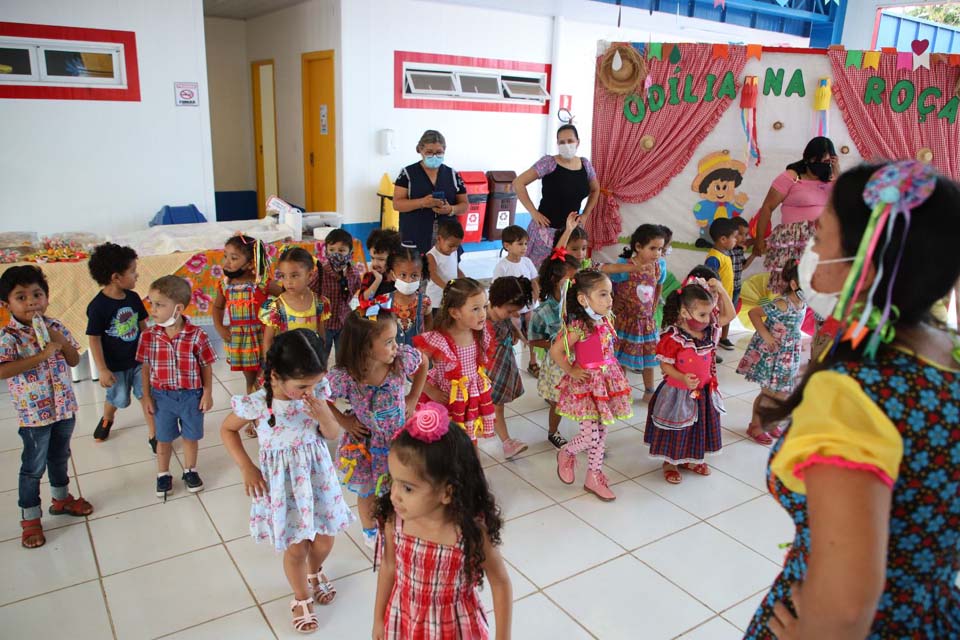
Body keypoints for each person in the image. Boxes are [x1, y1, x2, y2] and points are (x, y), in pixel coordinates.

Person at [744, 161, 960, 639]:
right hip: (932, 612)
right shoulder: (949, 351)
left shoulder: (852, 390)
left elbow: (845, 608)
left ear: (865, 261)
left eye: (820, 236)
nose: (809, 250)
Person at [220, 329, 354, 634]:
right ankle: (300, 597)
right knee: (296, 548)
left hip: (317, 479)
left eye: (316, 383)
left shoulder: (317, 395)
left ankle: (315, 571)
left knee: (325, 538)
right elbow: (227, 431)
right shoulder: (257, 404)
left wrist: (324, 415)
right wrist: (247, 467)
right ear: (277, 376)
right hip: (284, 487)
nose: (310, 391)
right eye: (302, 385)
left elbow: (333, 434)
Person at [372, 402, 512, 640]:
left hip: (454, 628)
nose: (394, 494)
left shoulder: (469, 533)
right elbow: (388, 567)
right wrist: (378, 619)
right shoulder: (394, 522)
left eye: (407, 488)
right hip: (404, 620)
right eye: (393, 480)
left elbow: (500, 583)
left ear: (447, 492)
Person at [0, 266, 92, 549]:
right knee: (33, 467)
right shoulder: (9, 337)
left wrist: (60, 342)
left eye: (37, 294)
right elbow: (3, 371)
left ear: (47, 297)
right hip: (34, 417)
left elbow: (75, 361)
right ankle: (30, 519)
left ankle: (61, 499)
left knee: (60, 456)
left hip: (64, 409)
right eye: (21, 297)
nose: (31, 302)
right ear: (6, 305)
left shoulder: (56, 327)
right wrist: (41, 356)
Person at [327, 309, 427, 550]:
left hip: (399, 440)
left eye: (395, 339)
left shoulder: (400, 360)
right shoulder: (346, 377)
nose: (396, 347)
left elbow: (423, 361)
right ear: (365, 347)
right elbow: (321, 397)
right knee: (368, 492)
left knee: (403, 483)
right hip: (367, 446)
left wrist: (413, 397)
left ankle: (403, 523)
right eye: (389, 342)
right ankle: (371, 531)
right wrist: (344, 420)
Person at [645, 276, 735, 485]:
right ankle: (670, 462)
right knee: (677, 428)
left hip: (702, 391)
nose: (706, 319)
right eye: (702, 314)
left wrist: (721, 290)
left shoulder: (709, 330)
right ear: (684, 312)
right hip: (678, 392)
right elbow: (665, 365)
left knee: (697, 428)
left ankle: (690, 459)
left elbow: (729, 315)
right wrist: (682, 377)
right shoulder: (674, 336)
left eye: (709, 313)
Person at [552, 270, 633, 501]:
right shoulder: (579, 327)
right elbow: (556, 351)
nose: (610, 300)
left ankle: (593, 476)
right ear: (583, 299)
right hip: (587, 385)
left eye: (610, 294)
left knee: (602, 432)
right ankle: (566, 452)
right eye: (603, 295)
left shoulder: (605, 320)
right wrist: (571, 370)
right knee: (590, 437)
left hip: (605, 383)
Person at [137, 276, 217, 499]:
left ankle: (190, 470)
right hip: (162, 397)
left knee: (191, 436)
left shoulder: (197, 335)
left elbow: (206, 365)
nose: (153, 309)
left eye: (159, 305)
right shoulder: (148, 337)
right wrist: (147, 397)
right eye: (151, 303)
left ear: (178, 308)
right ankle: (163, 474)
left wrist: (207, 393)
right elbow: (144, 367)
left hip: (192, 396)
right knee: (163, 438)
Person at [85, 243, 155, 451]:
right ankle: (107, 418)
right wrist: (103, 369)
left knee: (146, 395)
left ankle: (154, 434)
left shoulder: (133, 298)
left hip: (138, 361)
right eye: (133, 271)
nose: (137, 275)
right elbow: (94, 339)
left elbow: (143, 325)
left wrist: (152, 351)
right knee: (118, 398)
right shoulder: (98, 307)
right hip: (115, 366)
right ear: (116, 277)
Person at [753, 136, 838, 293]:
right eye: (820, 161)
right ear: (810, 159)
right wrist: (759, 240)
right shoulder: (791, 177)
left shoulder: (831, 180)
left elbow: (843, 204)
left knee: (818, 288)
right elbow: (767, 207)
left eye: (828, 162)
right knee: (787, 286)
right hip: (790, 241)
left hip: (820, 241)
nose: (824, 166)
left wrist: (836, 170)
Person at [415, 278, 496, 442]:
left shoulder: (479, 332)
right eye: (475, 309)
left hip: (471, 398)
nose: (482, 314)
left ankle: (471, 465)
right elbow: (411, 367)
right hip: (446, 399)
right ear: (454, 313)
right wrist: (429, 390)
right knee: (447, 441)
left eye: (484, 307)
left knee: (469, 438)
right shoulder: (438, 339)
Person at [736, 261, 805, 445]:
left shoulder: (803, 303)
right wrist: (766, 336)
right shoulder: (782, 304)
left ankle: (770, 422)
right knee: (768, 393)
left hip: (788, 355)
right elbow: (754, 314)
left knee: (782, 392)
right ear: (794, 285)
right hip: (772, 354)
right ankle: (756, 426)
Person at [514, 124, 600, 267]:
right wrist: (533, 212)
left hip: (570, 232)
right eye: (562, 142)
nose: (566, 145)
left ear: (578, 142)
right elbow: (518, 183)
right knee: (539, 275)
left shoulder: (585, 165)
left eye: (570, 141)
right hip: (545, 233)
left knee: (563, 275)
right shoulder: (549, 163)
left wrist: (585, 214)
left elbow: (595, 190)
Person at [528, 249, 580, 448]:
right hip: (558, 363)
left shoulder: (580, 306)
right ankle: (553, 431)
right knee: (558, 401)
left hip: (579, 360)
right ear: (555, 280)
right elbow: (534, 340)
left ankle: (589, 434)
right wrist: (556, 344)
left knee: (584, 396)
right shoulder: (543, 311)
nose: (574, 284)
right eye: (570, 280)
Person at [609, 224, 666, 401]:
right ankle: (621, 389)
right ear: (638, 247)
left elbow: (658, 286)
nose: (657, 253)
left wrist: (655, 305)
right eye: (653, 248)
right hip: (625, 320)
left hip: (646, 321)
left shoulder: (659, 266)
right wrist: (614, 306)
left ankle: (649, 390)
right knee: (620, 356)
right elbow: (612, 286)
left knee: (649, 357)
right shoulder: (624, 265)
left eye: (660, 249)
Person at [212, 235, 273, 395]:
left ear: (250, 263)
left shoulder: (261, 282)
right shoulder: (225, 284)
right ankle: (252, 412)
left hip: (263, 337)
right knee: (251, 379)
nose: (226, 262)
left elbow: (285, 296)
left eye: (234, 258)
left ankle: (269, 410)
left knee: (267, 375)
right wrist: (219, 327)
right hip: (240, 339)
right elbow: (218, 307)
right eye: (225, 256)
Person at [392, 130, 468, 255]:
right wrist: (422, 202)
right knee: (417, 269)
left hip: (447, 238)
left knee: (446, 272)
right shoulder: (407, 174)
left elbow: (464, 205)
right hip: (415, 234)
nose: (434, 156)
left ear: (444, 150)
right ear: (420, 151)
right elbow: (397, 204)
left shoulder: (452, 174)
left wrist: (451, 209)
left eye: (439, 152)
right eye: (429, 152)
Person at [486, 276, 533, 459]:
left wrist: (519, 335)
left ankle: (506, 442)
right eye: (511, 311)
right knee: (495, 406)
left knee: (498, 406)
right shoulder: (483, 318)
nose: (514, 315)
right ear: (497, 302)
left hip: (503, 364)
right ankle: (506, 443)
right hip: (490, 370)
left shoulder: (500, 314)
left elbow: (511, 326)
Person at [261, 247, 331, 357]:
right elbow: (267, 341)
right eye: (283, 276)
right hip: (286, 363)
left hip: (311, 361)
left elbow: (321, 335)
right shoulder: (276, 307)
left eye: (294, 275)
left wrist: (321, 360)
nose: (288, 282)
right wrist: (269, 367)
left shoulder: (320, 303)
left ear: (310, 276)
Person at [493, 225, 541, 377]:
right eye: (520, 244)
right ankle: (509, 365)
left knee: (533, 333)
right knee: (513, 336)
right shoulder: (502, 266)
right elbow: (498, 289)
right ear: (507, 246)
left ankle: (533, 362)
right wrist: (508, 310)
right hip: (512, 310)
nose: (524, 247)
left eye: (526, 244)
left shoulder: (527, 261)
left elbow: (534, 280)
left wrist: (536, 294)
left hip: (528, 307)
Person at [314, 229, 361, 364]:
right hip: (325, 323)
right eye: (332, 250)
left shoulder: (354, 274)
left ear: (350, 254)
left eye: (341, 250)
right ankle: (320, 382)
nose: (336, 254)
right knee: (321, 357)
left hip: (344, 322)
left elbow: (357, 288)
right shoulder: (321, 272)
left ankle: (340, 382)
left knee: (343, 357)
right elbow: (308, 289)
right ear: (326, 251)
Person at [382, 245, 432, 347]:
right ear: (393, 275)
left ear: (421, 276)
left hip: (418, 357)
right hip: (392, 357)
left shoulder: (425, 301)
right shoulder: (384, 301)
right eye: (403, 275)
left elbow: (429, 326)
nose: (408, 280)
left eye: (414, 275)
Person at [704, 218, 739, 351]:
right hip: (716, 300)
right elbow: (709, 280)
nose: (736, 240)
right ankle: (709, 347)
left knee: (719, 323)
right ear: (723, 239)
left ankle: (715, 345)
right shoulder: (714, 257)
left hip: (724, 297)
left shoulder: (724, 254)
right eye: (734, 237)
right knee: (713, 324)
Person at [425, 218, 465, 318]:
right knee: (435, 322)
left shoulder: (454, 252)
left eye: (457, 246)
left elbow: (456, 268)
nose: (454, 249)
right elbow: (432, 275)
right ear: (439, 239)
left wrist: (465, 280)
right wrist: (446, 288)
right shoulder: (432, 255)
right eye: (451, 246)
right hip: (435, 300)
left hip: (450, 296)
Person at [361, 229, 402, 301]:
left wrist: (398, 282)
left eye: (381, 259)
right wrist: (377, 280)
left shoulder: (402, 275)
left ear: (394, 256)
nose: (375, 263)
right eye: (372, 258)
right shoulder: (369, 277)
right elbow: (365, 300)